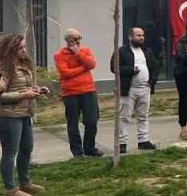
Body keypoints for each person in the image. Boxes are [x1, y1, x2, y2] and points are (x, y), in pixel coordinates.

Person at [0, 35, 45, 196]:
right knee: (10, 152)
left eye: (24, 47)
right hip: (9, 115)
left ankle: (25, 182)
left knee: (26, 148)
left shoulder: (22, 65)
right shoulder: (3, 69)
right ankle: (11, 189)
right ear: (11, 50)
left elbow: (22, 86)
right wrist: (24, 95)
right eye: (21, 48)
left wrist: (36, 90)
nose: (24, 50)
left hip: (24, 113)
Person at [54, 28, 102, 157]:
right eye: (75, 38)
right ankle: (77, 152)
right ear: (68, 39)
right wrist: (82, 68)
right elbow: (65, 73)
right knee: (73, 123)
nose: (78, 40)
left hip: (88, 90)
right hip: (71, 93)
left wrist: (78, 53)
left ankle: (89, 148)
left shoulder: (85, 51)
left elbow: (91, 64)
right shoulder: (59, 55)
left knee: (92, 121)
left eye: (79, 37)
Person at [111, 26, 159, 154]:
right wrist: (130, 70)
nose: (141, 37)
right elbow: (114, 67)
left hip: (145, 89)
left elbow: (155, 67)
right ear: (130, 37)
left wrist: (151, 82)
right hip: (129, 89)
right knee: (124, 117)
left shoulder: (147, 51)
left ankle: (143, 141)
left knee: (143, 116)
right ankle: (122, 143)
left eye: (143, 35)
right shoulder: (121, 51)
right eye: (138, 35)